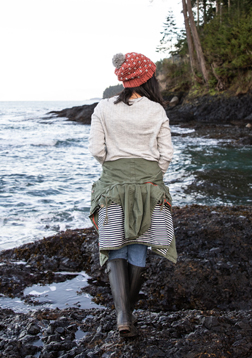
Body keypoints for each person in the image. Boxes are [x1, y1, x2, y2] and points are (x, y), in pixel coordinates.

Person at [88, 52, 177, 338]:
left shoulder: (103, 108)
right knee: (139, 244)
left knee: (115, 245)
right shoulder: (157, 111)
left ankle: (123, 315)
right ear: (148, 78)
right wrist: (150, 172)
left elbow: (96, 151)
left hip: (113, 183)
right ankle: (127, 314)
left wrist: (116, 167)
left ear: (124, 79)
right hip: (149, 185)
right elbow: (167, 155)